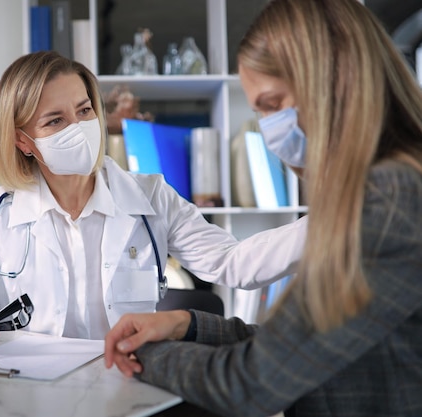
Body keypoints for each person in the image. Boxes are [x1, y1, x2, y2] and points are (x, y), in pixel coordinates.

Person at [104, 0, 422, 416]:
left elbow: (249, 383)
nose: (271, 130)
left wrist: (148, 354)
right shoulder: (384, 189)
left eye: (272, 105)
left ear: (334, 80)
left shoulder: (390, 198)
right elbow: (300, 345)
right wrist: (188, 325)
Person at [0, 50, 306, 356]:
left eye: (84, 111)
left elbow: (234, 263)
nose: (79, 128)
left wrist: (333, 222)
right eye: (55, 120)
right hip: (30, 397)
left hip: (126, 384)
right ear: (22, 141)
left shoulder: (150, 196)